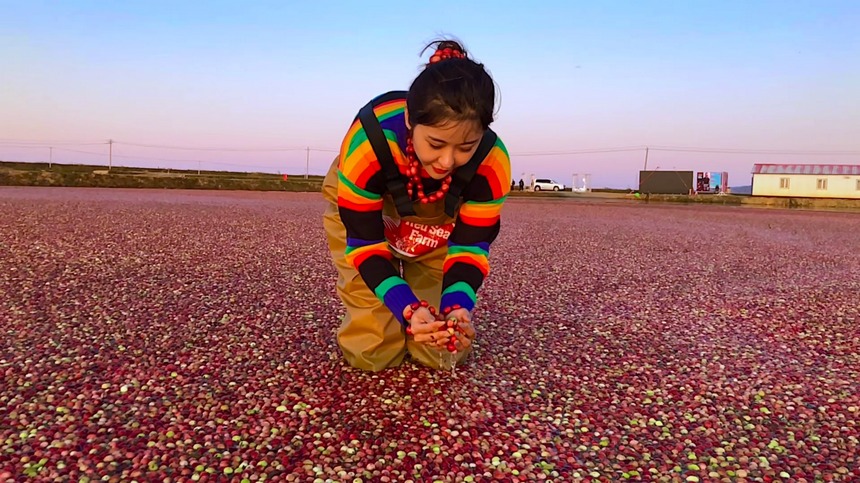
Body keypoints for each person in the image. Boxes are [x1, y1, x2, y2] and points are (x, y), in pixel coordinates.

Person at [322, 38, 511, 372]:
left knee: (442, 351)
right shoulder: (367, 146)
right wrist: (408, 309)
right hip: (370, 202)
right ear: (410, 118)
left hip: (440, 213)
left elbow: (470, 247)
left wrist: (457, 307)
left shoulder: (492, 163)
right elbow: (365, 244)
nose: (447, 161)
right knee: (372, 353)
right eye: (436, 143)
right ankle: (378, 321)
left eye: (466, 146)